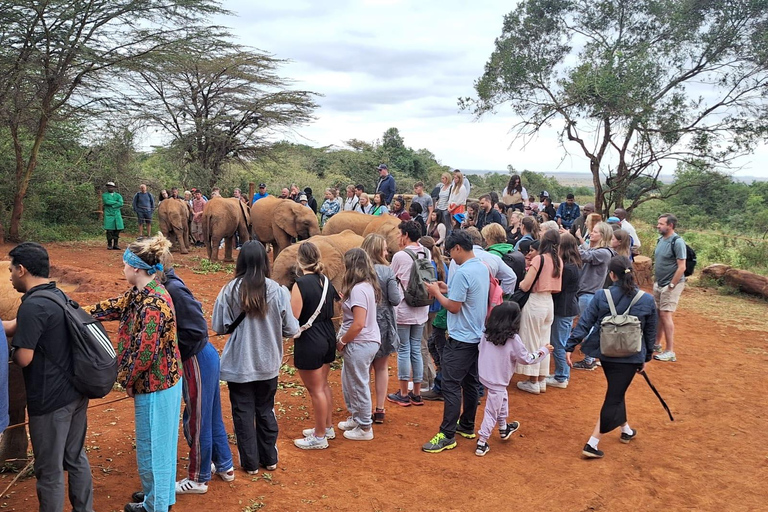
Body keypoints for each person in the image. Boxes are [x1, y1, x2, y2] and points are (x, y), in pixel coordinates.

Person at [85, 235, 182, 512]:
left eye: (125, 265)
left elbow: (144, 353)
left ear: (137, 269)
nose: (123, 269)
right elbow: (114, 306)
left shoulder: (153, 304)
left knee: (156, 450)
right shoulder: (141, 293)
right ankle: (158, 498)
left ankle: (157, 506)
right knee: (153, 447)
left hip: (157, 385)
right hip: (153, 383)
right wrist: (76, 312)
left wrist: (125, 379)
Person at [8, 243, 95, 512]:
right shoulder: (56, 296)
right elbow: (16, 326)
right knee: (75, 457)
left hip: (49, 401)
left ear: (22, 270)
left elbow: (24, 358)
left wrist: (11, 352)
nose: (10, 275)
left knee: (48, 469)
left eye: (11, 270)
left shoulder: (32, 306)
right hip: (75, 393)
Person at [212, 241, 299, 473]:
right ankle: (269, 458)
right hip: (268, 363)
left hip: (239, 364)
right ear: (265, 262)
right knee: (265, 409)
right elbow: (291, 329)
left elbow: (219, 326)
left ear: (240, 262)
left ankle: (250, 464)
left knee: (242, 412)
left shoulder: (229, 290)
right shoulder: (278, 291)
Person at [566, 256, 657, 458]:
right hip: (632, 355)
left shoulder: (601, 296)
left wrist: (570, 345)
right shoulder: (647, 299)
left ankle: (626, 430)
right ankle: (592, 442)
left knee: (617, 390)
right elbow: (650, 332)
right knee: (615, 394)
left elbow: (585, 322)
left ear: (612, 275)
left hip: (607, 354)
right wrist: (647, 356)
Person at [161, 262, 234, 494]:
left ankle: (199, 478)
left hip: (196, 359)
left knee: (197, 420)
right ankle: (224, 465)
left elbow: (196, 328)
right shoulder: (171, 284)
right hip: (203, 357)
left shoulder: (172, 289)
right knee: (210, 416)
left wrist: (173, 348)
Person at [422, 231, 490, 453]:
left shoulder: (462, 272)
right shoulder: (481, 266)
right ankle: (467, 425)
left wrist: (435, 292)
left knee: (451, 385)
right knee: (470, 383)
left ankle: (447, 434)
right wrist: (447, 289)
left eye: (451, 252)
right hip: (475, 336)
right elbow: (465, 297)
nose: (451, 257)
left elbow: (454, 306)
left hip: (460, 338)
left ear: (458, 248)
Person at [475, 302, 552, 456]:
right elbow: (527, 359)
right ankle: (481, 443)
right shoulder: (513, 339)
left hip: (485, 376)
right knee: (491, 411)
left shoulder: (486, 334)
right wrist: (544, 351)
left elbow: (479, 349)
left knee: (502, 398)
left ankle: (503, 428)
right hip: (499, 380)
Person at [290, 243, 339, 450]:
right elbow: (335, 305)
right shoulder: (326, 280)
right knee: (324, 384)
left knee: (315, 389)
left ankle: (319, 437)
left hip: (310, 339)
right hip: (328, 334)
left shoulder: (300, 284)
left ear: (300, 261)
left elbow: (294, 318)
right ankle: (326, 427)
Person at [336, 249, 381, 441]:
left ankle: (365, 427)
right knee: (350, 382)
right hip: (362, 342)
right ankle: (357, 417)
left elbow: (359, 323)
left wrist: (342, 340)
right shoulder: (364, 287)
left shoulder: (359, 289)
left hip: (360, 343)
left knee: (358, 384)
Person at [387, 221, 430, 406]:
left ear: (405, 235)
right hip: (422, 308)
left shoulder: (399, 256)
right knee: (416, 349)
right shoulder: (426, 252)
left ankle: (403, 393)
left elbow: (390, 278)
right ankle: (417, 393)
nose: (398, 237)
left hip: (404, 309)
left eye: (399, 234)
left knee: (403, 349)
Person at [515, 230, 563, 394]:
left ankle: (533, 380)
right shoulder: (558, 261)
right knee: (544, 341)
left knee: (531, 340)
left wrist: (521, 283)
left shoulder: (539, 259)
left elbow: (525, 285)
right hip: (549, 301)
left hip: (535, 301)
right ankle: (541, 379)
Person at [361, 234, 401, 425]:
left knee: (364, 368)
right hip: (383, 322)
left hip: (363, 322)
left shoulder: (358, 271)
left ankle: (364, 408)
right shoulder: (387, 271)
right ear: (378, 251)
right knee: (381, 366)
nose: (387, 252)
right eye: (385, 249)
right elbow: (395, 299)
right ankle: (380, 409)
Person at [572, 222, 616, 371]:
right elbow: (586, 251)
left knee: (587, 326)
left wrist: (568, 244)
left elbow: (584, 255)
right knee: (584, 324)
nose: (591, 233)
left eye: (595, 232)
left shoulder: (604, 252)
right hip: (585, 293)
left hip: (588, 293)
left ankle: (589, 359)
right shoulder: (599, 250)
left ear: (603, 235)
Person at [546, 233, 582, 389]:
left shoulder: (567, 267)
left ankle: (561, 377)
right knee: (562, 341)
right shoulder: (574, 263)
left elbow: (558, 289)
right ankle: (561, 374)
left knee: (559, 343)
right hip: (568, 307)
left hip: (563, 309)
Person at [653, 214, 687, 363]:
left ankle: (670, 351)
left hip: (671, 285)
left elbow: (682, 267)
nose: (658, 226)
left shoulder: (678, 242)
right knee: (659, 313)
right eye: (658, 223)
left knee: (666, 315)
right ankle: (656, 344)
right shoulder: (660, 240)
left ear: (670, 225)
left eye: (661, 224)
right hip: (659, 283)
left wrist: (671, 285)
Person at [453, 227, 517, 296]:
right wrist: (497, 294)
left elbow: (452, 285)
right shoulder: (501, 253)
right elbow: (511, 277)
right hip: (488, 300)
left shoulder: (457, 258)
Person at [419, 236, 446, 392]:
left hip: (426, 309)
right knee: (428, 344)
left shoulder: (425, 266)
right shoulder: (442, 264)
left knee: (421, 345)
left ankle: (424, 380)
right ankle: (430, 378)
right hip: (437, 310)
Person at [482, 223, 525, 292]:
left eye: (485, 238)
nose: (485, 240)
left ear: (489, 238)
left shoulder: (492, 254)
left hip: (497, 293)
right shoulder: (510, 248)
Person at [103, 181, 124, 250]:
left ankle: (116, 244)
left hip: (117, 215)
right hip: (109, 214)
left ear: (114, 188)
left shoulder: (118, 195)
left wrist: (112, 204)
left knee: (117, 229)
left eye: (111, 187)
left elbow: (121, 203)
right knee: (109, 230)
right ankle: (109, 244)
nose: (110, 188)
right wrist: (116, 203)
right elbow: (106, 202)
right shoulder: (104, 195)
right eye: (109, 187)